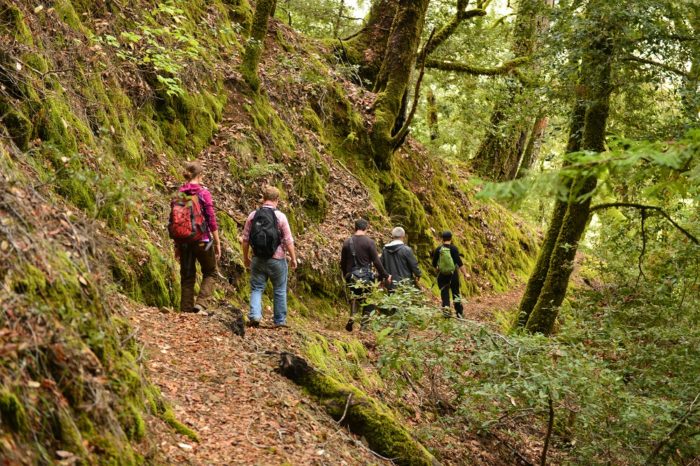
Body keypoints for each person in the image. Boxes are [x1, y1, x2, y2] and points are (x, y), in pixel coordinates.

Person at [241, 186, 297, 328]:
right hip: (277, 260)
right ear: (277, 200)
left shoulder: (253, 215)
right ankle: (279, 321)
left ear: (263, 198)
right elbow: (288, 240)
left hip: (258, 258)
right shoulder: (281, 217)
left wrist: (246, 257)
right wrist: (293, 258)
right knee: (279, 289)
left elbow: (245, 239)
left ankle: (254, 315)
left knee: (257, 288)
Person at [174, 162, 221, 313]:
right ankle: (201, 303)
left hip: (184, 242)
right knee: (211, 271)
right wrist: (217, 242)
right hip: (204, 240)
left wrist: (177, 245)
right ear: (199, 176)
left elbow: (176, 221)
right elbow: (211, 219)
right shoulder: (203, 193)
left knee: (187, 276)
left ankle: (186, 310)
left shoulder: (180, 194)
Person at [340, 218, 390, 331]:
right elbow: (376, 262)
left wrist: (345, 275)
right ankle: (364, 325)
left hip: (351, 276)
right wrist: (386, 275)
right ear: (365, 228)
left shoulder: (347, 242)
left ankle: (352, 316)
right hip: (366, 276)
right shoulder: (369, 242)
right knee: (369, 299)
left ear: (355, 227)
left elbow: (342, 262)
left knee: (355, 296)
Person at [432, 231, 468, 318]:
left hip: (442, 275)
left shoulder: (438, 249)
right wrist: (465, 274)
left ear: (442, 239)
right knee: (456, 293)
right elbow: (460, 263)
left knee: (445, 294)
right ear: (451, 238)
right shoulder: (454, 249)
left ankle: (446, 314)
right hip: (453, 275)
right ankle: (459, 313)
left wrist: (438, 267)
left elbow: (433, 263)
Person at [381, 227, 422, 291]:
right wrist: (418, 274)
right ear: (403, 236)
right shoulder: (406, 250)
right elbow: (413, 265)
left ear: (392, 235)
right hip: (404, 284)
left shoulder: (385, 249)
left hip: (389, 284)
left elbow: (381, 265)